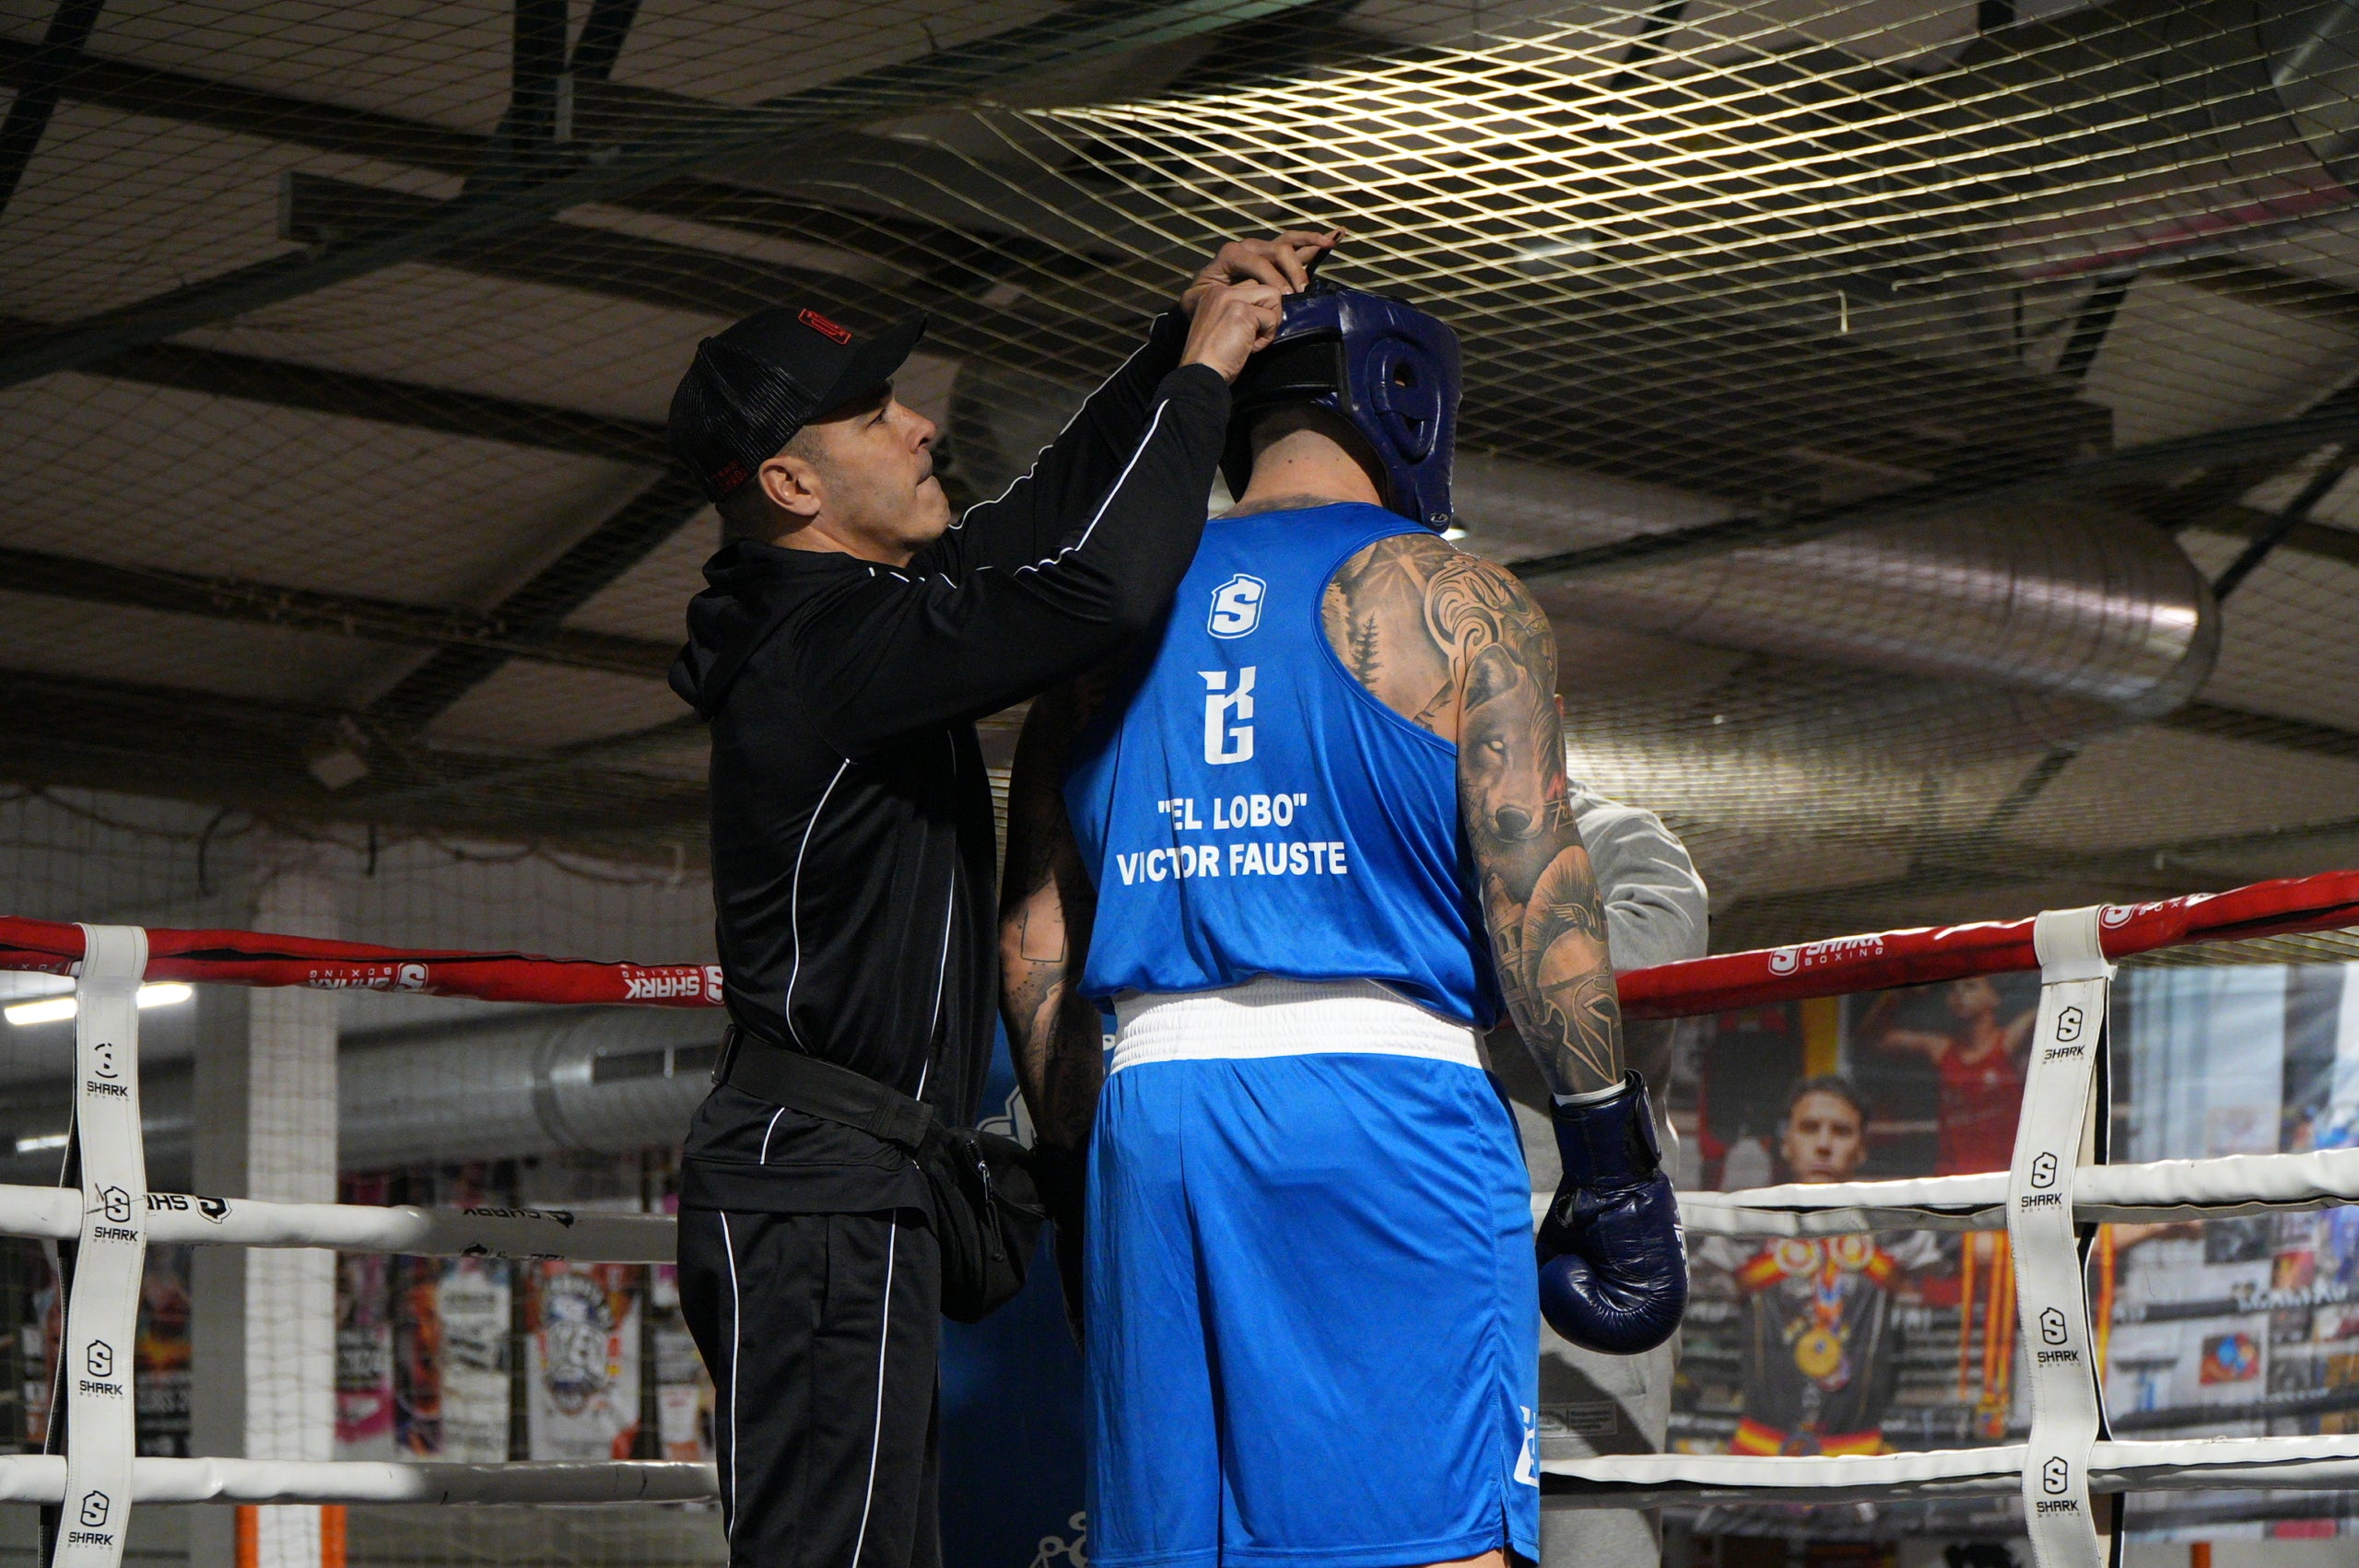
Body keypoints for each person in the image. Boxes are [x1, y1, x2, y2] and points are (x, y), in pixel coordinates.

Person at [664, 229, 1335, 1568]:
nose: (921, 426)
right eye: (873, 412)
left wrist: (1177, 329)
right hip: (816, 1192)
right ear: (794, 479)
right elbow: (1095, 587)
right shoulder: (822, 649)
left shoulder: (857, 612)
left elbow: (1041, 521)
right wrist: (1204, 377)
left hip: (855, 1181)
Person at [1000, 278, 1685, 1568]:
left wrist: (1079, 1171)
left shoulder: (1111, 602)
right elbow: (1539, 890)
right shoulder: (1452, 599)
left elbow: (1034, 939)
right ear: (1409, 402)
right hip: (1383, 1111)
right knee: (1434, 1545)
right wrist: (1610, 1154)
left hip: (1154, 1122)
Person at [1695, 1076, 1937, 1457]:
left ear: (1860, 1150)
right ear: (1786, 1143)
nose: (1824, 1145)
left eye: (1841, 1132)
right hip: (1759, 1461)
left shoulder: (1898, 1239)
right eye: (1810, 1129)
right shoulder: (1741, 1238)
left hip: (1859, 1466)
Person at [1865, 976, 2037, 1177]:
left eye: (1970, 986)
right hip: (1953, 1181)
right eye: (1953, 989)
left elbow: (2060, 1003)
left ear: (1994, 997)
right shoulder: (1941, 1050)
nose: (1959, 994)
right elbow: (1872, 1038)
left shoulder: (2009, 1042)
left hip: (2007, 1177)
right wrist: (1896, 995)